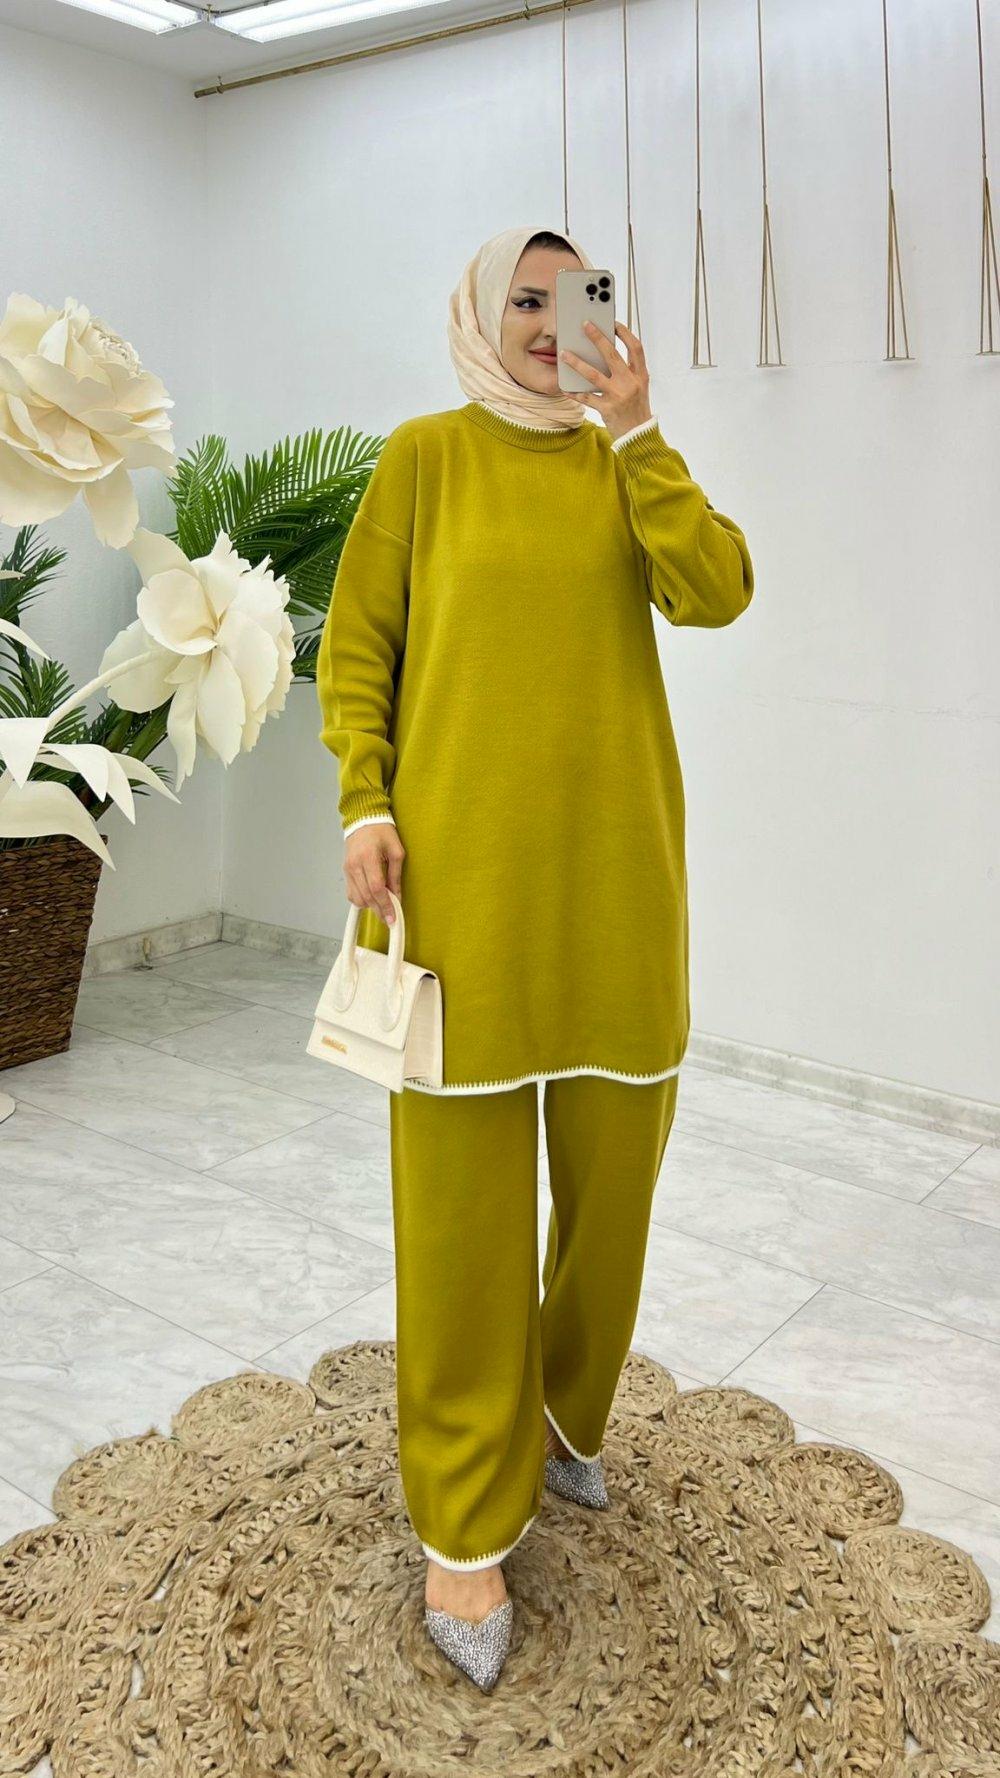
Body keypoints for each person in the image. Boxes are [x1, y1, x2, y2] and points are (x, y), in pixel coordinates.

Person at [315, 224, 754, 1690]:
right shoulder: (424, 461)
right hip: (461, 895)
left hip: (616, 892)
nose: (556, 321)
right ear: (479, 313)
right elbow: (357, 649)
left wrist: (640, 437)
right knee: (460, 1217)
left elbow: (717, 591)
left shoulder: (622, 467)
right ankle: (462, 1524)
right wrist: (365, 798)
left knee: (615, 1190)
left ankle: (564, 1413)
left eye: (581, 297)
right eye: (528, 296)